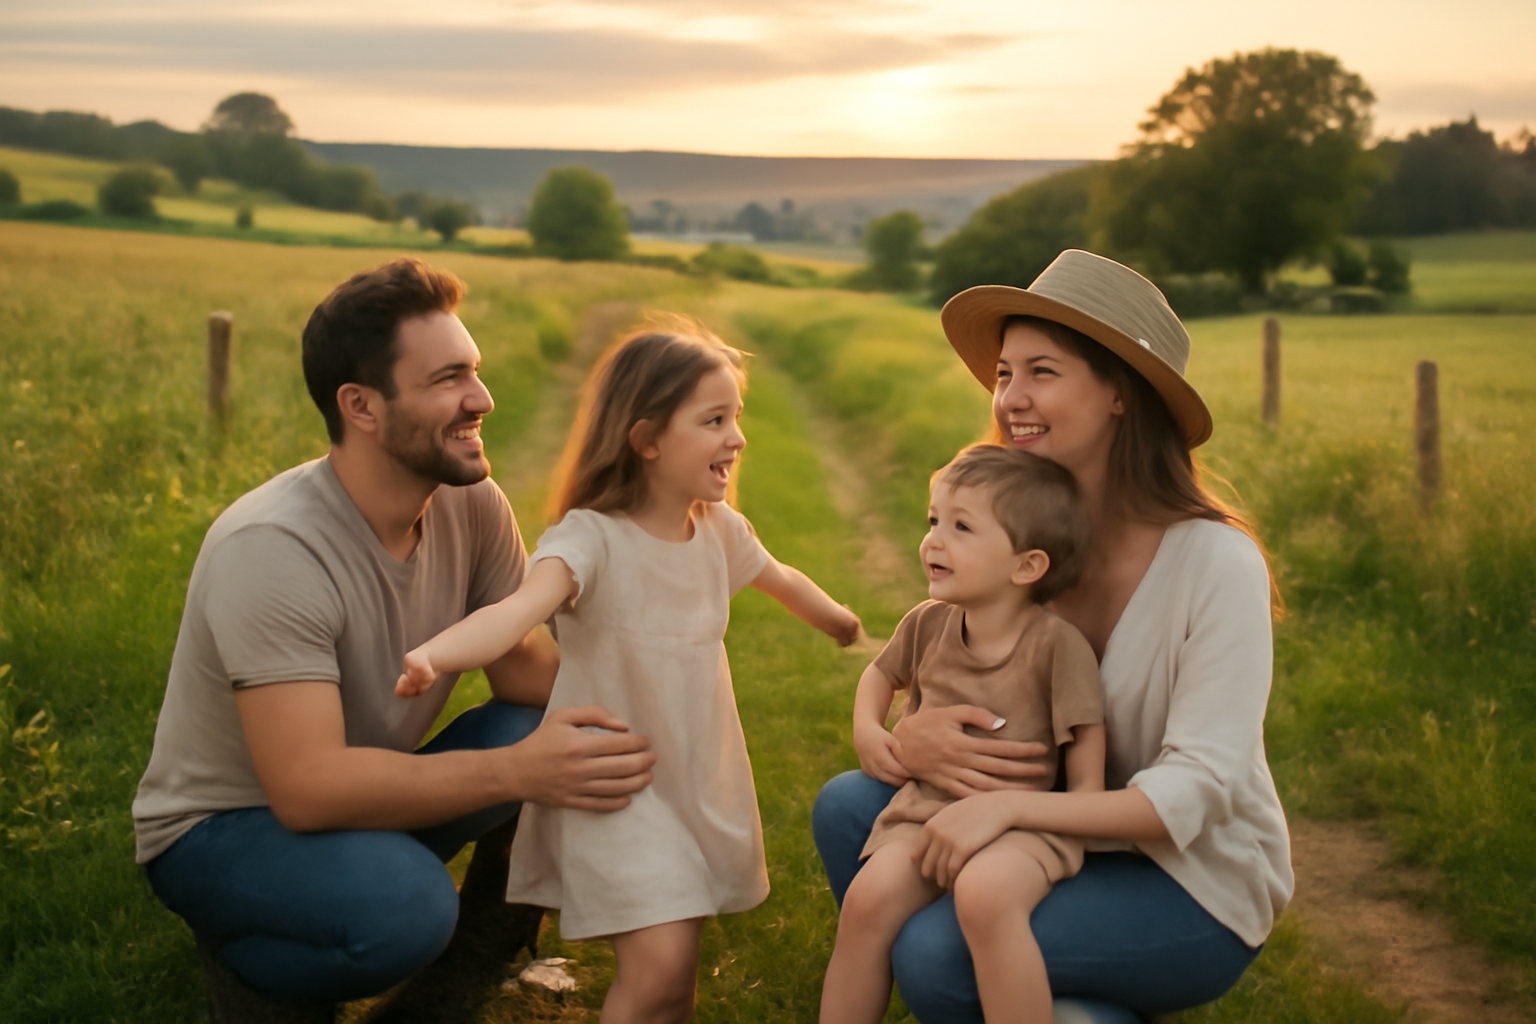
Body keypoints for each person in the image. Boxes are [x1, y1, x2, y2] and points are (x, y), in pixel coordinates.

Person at [132, 258, 657, 1024]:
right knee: (405, 909)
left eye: (474, 370)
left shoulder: (471, 504)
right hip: (228, 827)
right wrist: (518, 771)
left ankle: (481, 948)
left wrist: (656, 690)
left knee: (562, 726)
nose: (482, 398)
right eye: (448, 379)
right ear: (362, 406)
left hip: (359, 789)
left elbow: (523, 673)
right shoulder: (273, 547)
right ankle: (251, 960)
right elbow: (308, 789)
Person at [812, 249, 1293, 1024]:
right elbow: (967, 674)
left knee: (935, 954)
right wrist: (912, 734)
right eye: (1005, 373)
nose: (1010, 398)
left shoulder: (1216, 564)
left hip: (1185, 877)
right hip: (1044, 825)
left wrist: (1012, 812)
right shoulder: (1028, 539)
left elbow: (1196, 792)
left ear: (1119, 393)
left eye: (1042, 371)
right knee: (847, 807)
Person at [397, 323, 865, 1023]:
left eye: (736, 417)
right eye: (714, 420)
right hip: (613, 780)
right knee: (659, 966)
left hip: (695, 779)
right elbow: (515, 612)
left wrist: (837, 620)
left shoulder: (718, 531)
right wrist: (437, 654)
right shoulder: (592, 539)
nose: (737, 438)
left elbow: (779, 576)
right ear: (646, 439)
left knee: (675, 978)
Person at [820, 444, 1106, 1024]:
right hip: (927, 812)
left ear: (1026, 566)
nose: (933, 540)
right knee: (867, 902)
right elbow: (880, 674)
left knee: (985, 894)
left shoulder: (1057, 648)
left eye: (961, 527)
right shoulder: (928, 623)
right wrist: (868, 730)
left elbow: (1087, 784)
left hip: (1022, 826)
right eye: (933, 521)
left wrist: (1063, 816)